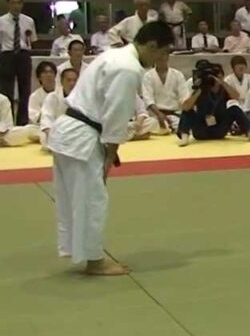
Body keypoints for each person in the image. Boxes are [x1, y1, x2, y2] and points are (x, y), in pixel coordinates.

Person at [46, 22, 173, 275]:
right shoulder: (128, 68)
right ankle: (94, 261)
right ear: (151, 45)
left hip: (69, 132)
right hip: (81, 136)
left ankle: (80, 250)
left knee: (75, 199)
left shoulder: (114, 55)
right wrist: (110, 154)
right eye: (163, 52)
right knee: (93, 199)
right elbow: (116, 113)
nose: (163, 58)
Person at [177, 61, 250, 146]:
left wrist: (222, 83)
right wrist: (200, 89)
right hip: (201, 129)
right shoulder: (201, 89)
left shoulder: (224, 89)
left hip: (220, 128)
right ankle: (184, 137)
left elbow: (236, 96)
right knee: (187, 111)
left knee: (235, 109)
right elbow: (186, 107)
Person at [1, 0, 38, 126]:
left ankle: (22, 122)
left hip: (23, 54)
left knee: (25, 89)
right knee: (6, 89)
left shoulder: (28, 21)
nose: (16, 6)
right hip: (7, 54)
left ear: (22, 5)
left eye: (18, 3)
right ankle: (7, 121)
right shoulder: (1, 21)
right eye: (13, 3)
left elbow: (32, 39)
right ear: (8, 4)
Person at [141, 52, 189, 135]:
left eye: (163, 54)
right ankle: (166, 129)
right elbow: (148, 99)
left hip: (174, 114)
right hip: (155, 116)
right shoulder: (148, 76)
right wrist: (159, 115)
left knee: (184, 125)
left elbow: (184, 97)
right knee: (148, 124)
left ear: (167, 57)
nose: (160, 57)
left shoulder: (177, 75)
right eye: (158, 55)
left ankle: (169, 128)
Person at [39, 66, 78, 151]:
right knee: (44, 139)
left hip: (76, 133)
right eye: (69, 80)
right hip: (55, 133)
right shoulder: (52, 97)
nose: (72, 83)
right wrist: (52, 135)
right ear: (61, 82)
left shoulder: (83, 98)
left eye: (75, 80)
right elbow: (46, 119)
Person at [29, 61, 58, 126]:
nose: (49, 75)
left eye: (51, 72)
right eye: (45, 72)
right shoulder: (35, 96)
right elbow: (35, 118)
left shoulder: (62, 92)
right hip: (41, 127)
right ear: (39, 77)